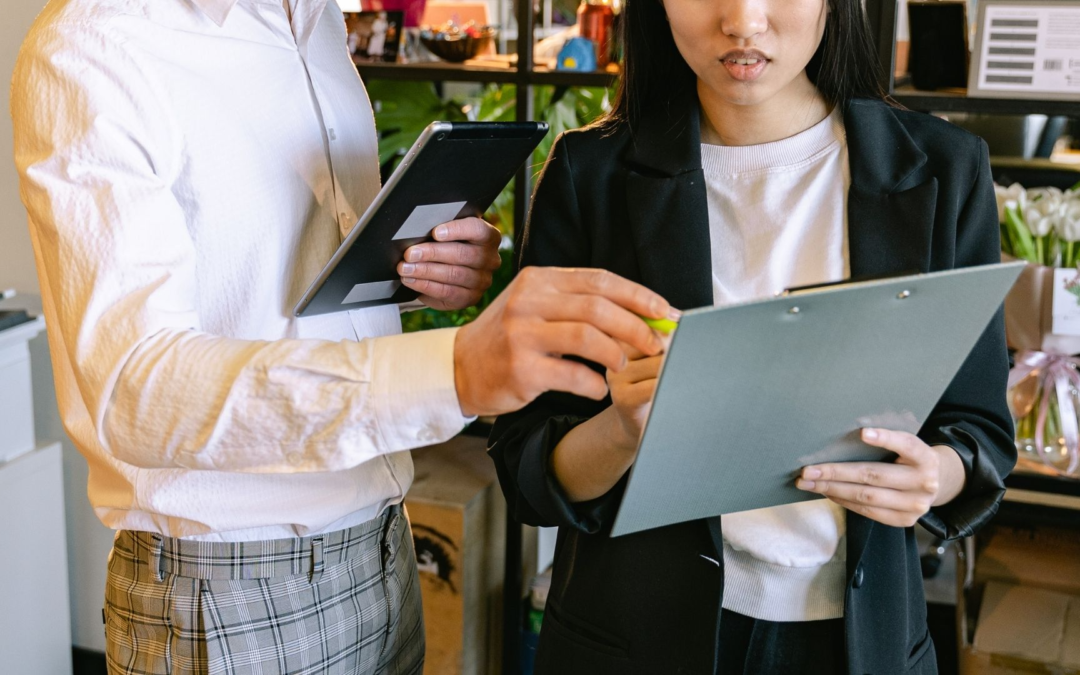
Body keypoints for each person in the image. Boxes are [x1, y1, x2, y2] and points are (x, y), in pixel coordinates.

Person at [11, 1, 670, 673]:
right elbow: (135, 389)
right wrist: (456, 368)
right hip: (230, 587)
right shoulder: (95, 46)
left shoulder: (315, 20)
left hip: (379, 542)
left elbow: (279, 286)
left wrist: (418, 273)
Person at [488, 0, 1016, 671]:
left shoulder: (942, 169)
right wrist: (623, 429)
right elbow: (527, 466)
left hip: (857, 642)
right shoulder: (589, 174)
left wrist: (935, 476)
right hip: (633, 638)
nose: (742, 19)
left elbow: (980, 432)